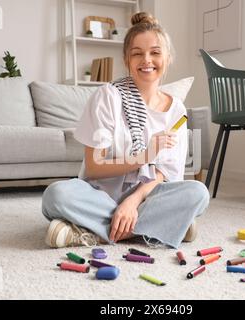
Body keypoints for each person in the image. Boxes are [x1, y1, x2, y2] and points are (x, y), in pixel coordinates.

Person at [41, 12, 209, 249]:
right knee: (55, 196)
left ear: (168, 58)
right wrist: (143, 158)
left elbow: (164, 174)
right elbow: (94, 167)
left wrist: (132, 201)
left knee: (198, 194)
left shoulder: (177, 110)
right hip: (99, 194)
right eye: (137, 53)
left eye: (155, 52)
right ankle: (163, 228)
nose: (146, 60)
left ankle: (91, 233)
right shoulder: (108, 96)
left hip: (145, 197)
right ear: (126, 59)